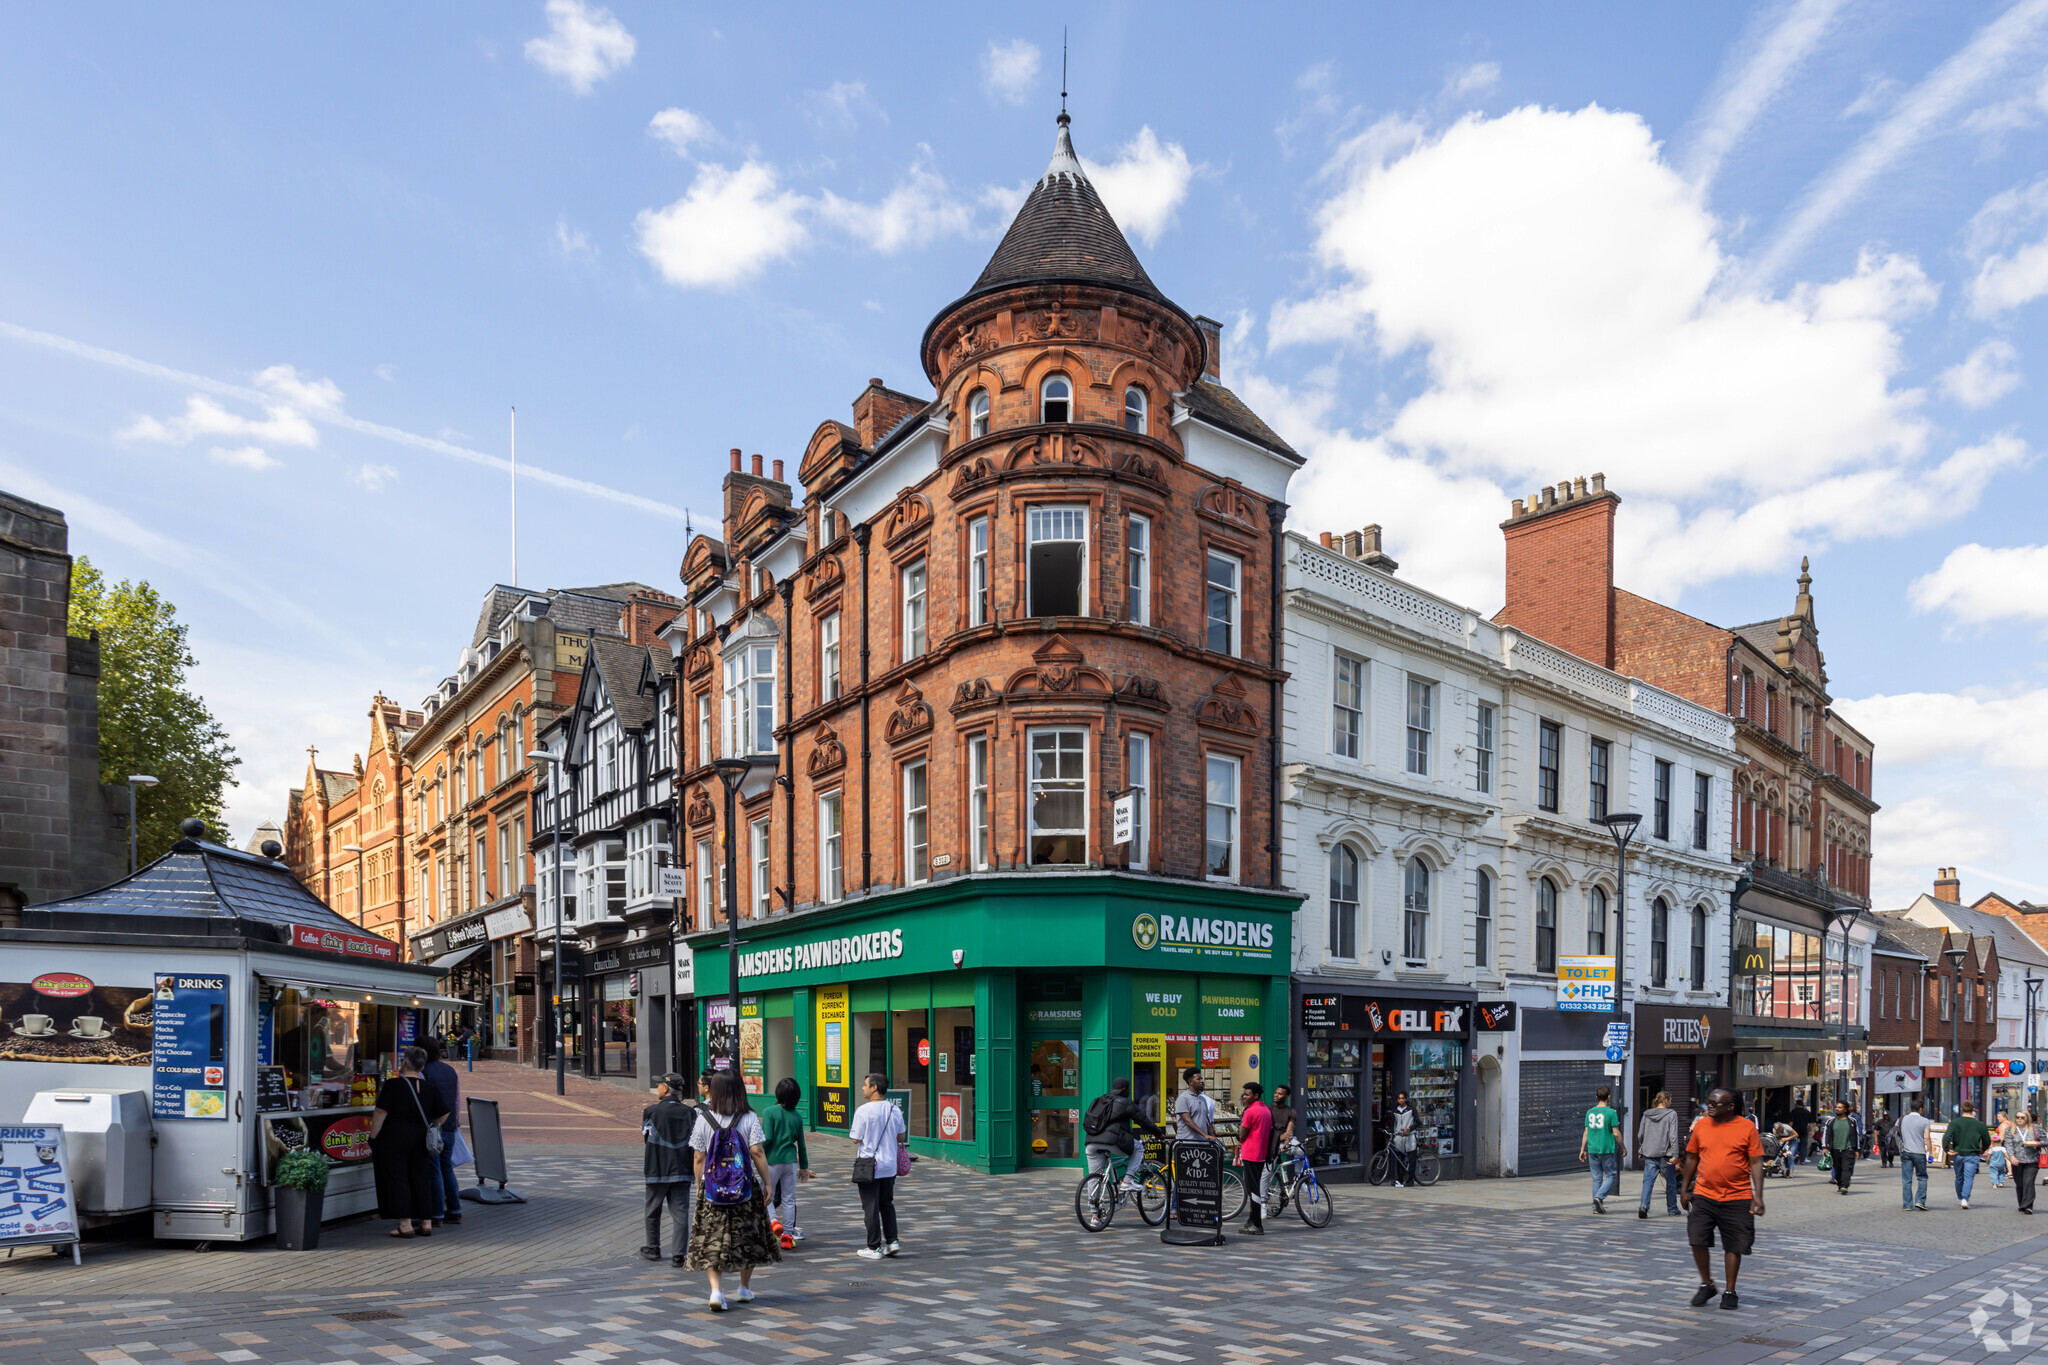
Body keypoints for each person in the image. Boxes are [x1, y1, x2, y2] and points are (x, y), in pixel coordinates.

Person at [685, 1069, 780, 1311]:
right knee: (747, 1237)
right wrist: (767, 1183)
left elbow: (698, 1156)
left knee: (711, 1239)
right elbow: (757, 1152)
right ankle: (744, 1288)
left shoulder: (704, 1118)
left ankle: (716, 1291)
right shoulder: (748, 1117)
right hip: (744, 1191)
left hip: (713, 1191)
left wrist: (700, 1183)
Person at [1679, 1088, 1766, 1312]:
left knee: (1733, 1245)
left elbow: (1756, 1162)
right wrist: (1684, 1189)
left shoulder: (1746, 1128)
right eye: (1708, 1102)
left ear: (1731, 1107)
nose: (1710, 1106)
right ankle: (1707, 1283)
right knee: (1696, 1238)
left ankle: (1729, 1290)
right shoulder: (1701, 1125)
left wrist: (1758, 1196)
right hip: (1704, 1194)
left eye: (1715, 1104)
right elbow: (1692, 1157)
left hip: (1737, 1197)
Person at [368, 1046, 448, 1238]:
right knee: (421, 1178)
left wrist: (373, 1136)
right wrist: (432, 1126)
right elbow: (444, 1113)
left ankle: (405, 1225)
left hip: (395, 1138)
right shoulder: (429, 1088)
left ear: (404, 1063)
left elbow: (380, 1112)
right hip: (420, 1139)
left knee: (399, 1179)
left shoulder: (393, 1085)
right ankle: (426, 1222)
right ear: (421, 1067)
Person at [641, 1071, 698, 1264]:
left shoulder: (651, 1112)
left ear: (666, 1088)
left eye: (659, 1085)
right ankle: (678, 1255)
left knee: (652, 1211)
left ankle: (653, 1248)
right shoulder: (690, 1113)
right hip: (682, 1169)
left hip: (656, 1169)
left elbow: (646, 1138)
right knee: (681, 1213)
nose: (657, 1088)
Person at [849, 1072, 907, 1260]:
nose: (863, 1088)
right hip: (890, 1164)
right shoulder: (894, 1110)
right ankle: (892, 1241)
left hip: (869, 1165)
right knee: (887, 1203)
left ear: (874, 1088)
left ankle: (874, 1247)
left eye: (865, 1085)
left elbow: (855, 1138)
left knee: (870, 1206)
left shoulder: (863, 1111)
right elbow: (901, 1137)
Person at [1082, 1077, 1164, 1193]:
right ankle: (1127, 1181)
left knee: (1094, 1178)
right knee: (1139, 1148)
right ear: (1124, 1089)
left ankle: (1094, 1209)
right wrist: (1159, 1134)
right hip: (1111, 1141)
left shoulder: (1100, 1100)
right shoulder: (1126, 1103)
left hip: (1091, 1143)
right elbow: (1143, 1121)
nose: (1129, 1091)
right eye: (1129, 1088)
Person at [762, 1078, 813, 1248]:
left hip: (771, 1161)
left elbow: (767, 1138)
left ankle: (774, 1221)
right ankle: (788, 1236)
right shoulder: (797, 1117)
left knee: (766, 1194)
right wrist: (804, 1167)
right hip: (790, 1161)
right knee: (789, 1199)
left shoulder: (769, 1112)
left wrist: (756, 1151)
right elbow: (802, 1145)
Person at [419, 1038, 463, 1227]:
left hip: (432, 1127)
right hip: (450, 1126)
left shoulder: (423, 1073)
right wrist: (456, 1122)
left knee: (434, 1170)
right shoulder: (451, 1071)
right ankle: (455, 1210)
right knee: (447, 1168)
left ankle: (436, 1214)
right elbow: (457, 1100)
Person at [1578, 1086, 1626, 1214]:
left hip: (1592, 1149)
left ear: (1596, 1097)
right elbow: (1616, 1133)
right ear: (1609, 1097)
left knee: (1597, 1178)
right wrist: (1623, 1147)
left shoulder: (1590, 1112)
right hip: (1606, 1149)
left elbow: (1586, 1132)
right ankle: (1599, 1197)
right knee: (1611, 1175)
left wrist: (1582, 1149)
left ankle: (1595, 1207)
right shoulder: (1611, 1113)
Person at [1637, 1092, 1683, 1218]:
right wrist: (1675, 1154)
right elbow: (1673, 1136)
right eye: (1670, 1100)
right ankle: (1672, 1209)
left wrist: (1644, 1146)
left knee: (1647, 1182)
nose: (1671, 1103)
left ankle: (1643, 1206)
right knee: (1671, 1182)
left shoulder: (1646, 1114)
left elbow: (1640, 1134)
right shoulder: (1671, 1114)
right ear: (1666, 1100)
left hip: (1650, 1153)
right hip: (1665, 1155)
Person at [1235, 1082, 1272, 1236]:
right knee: (1254, 1188)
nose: (1244, 1096)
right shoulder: (1266, 1110)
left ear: (1255, 1096)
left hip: (1251, 1153)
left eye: (1247, 1094)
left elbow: (1242, 1134)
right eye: (1244, 1093)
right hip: (1261, 1154)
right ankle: (1251, 1221)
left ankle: (1256, 1224)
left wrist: (1239, 1136)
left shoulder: (1250, 1111)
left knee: (1253, 1190)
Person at [1944, 1100, 1992, 1208]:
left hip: (1958, 1153)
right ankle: (1965, 1198)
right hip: (1973, 1154)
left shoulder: (1955, 1123)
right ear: (1973, 1110)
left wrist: (1946, 1149)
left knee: (1959, 1177)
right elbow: (1987, 1140)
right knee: (1969, 1177)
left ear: (1961, 1109)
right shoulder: (1980, 1125)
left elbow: (1946, 1137)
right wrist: (1983, 1149)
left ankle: (1960, 1197)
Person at [1265, 1084, 1297, 1214]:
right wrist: (1278, 1138)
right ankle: (1263, 1199)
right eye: (1276, 1092)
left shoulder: (1291, 1112)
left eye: (1280, 1093)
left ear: (1286, 1096)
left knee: (1300, 1150)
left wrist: (1286, 1144)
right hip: (1271, 1141)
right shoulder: (1268, 1109)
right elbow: (1266, 1130)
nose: (1276, 1095)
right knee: (1268, 1168)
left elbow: (1289, 1131)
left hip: (1284, 1140)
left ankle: (1297, 1179)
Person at [2004, 1109, 2042, 1214]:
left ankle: (2028, 1206)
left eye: (2022, 1117)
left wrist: (2038, 1143)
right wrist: (2011, 1157)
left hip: (2032, 1160)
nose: (2019, 1119)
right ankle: (2022, 1203)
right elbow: (2008, 1144)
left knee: (2028, 1183)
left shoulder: (2035, 1128)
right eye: (2018, 1117)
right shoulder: (2010, 1129)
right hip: (2017, 1161)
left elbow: (2045, 1140)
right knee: (2020, 1184)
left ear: (2027, 1119)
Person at [1897, 1097, 1932, 1210]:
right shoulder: (1925, 1121)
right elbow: (1927, 1138)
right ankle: (1920, 1201)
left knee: (1906, 1179)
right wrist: (1930, 1153)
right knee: (1922, 1177)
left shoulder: (1902, 1119)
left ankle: (1907, 1204)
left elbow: (1896, 1132)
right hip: (1919, 1152)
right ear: (1921, 1109)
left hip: (1906, 1152)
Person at [1823, 1101, 1861, 1194]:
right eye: (1836, 1107)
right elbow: (1826, 1134)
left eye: (1840, 1107)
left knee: (1846, 1167)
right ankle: (1840, 1184)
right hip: (1834, 1149)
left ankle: (1844, 1186)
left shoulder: (1852, 1121)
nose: (1837, 1109)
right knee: (1837, 1168)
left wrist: (1857, 1149)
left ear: (1845, 1110)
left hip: (1848, 1148)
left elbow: (1856, 1135)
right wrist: (1824, 1147)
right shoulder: (1831, 1121)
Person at [1173, 1068, 1215, 1143]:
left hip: (1203, 1143)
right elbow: (1187, 1120)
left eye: (1201, 1079)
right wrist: (1204, 1135)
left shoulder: (1203, 1099)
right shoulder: (1183, 1098)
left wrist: (1213, 1137)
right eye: (1198, 1079)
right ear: (1190, 1082)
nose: (1202, 1081)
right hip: (1187, 1143)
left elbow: (1206, 1120)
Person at [1390, 1092, 1419, 1187]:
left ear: (1405, 1098)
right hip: (1399, 1137)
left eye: (1402, 1098)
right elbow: (1392, 1123)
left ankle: (1410, 1181)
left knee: (1411, 1159)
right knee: (1399, 1159)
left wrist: (1410, 1128)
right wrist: (1392, 1134)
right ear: (1397, 1100)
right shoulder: (1395, 1110)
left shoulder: (1411, 1109)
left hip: (1410, 1136)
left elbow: (1418, 1122)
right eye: (1399, 1098)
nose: (1401, 1100)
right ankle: (1399, 1179)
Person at [1987, 1114, 2012, 1188]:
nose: (1998, 1119)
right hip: (2009, 1142)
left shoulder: (2003, 1125)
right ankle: (2003, 1180)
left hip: (2004, 1142)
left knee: (2006, 1158)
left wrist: (1995, 1144)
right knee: (2007, 1158)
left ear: (2005, 1117)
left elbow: (2002, 1135)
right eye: (1997, 1117)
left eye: (1999, 1117)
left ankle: (2010, 1172)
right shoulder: (2010, 1123)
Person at [1787, 1099, 1814, 1165]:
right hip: (1804, 1130)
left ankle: (1795, 1155)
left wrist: (1788, 1131)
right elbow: (1810, 1123)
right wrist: (1812, 1131)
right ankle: (1802, 1160)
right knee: (1803, 1145)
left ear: (1797, 1104)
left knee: (1793, 1144)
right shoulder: (1807, 1112)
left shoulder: (1793, 1112)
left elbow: (1791, 1122)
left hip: (1794, 1131)